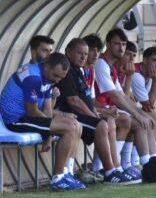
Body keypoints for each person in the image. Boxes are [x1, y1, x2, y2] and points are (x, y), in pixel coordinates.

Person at [55, 38, 140, 185]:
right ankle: (108, 172)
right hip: (70, 116)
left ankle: (116, 168)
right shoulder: (68, 71)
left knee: (109, 121)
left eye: (85, 53)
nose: (84, 57)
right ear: (68, 52)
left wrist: (101, 113)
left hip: (81, 116)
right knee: (101, 125)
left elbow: (88, 100)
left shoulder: (78, 71)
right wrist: (95, 116)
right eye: (79, 53)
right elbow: (74, 102)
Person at [0, 53, 84, 190]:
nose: (57, 80)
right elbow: (32, 111)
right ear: (46, 66)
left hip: (27, 118)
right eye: (56, 76)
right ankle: (58, 178)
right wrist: (49, 134)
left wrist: (49, 135)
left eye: (61, 78)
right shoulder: (33, 77)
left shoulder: (47, 78)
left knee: (76, 125)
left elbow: (47, 109)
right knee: (69, 127)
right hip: (14, 121)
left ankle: (67, 174)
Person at [94, 28, 155, 172]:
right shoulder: (101, 64)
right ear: (108, 44)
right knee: (127, 120)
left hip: (109, 111)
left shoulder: (111, 67)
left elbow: (122, 96)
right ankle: (108, 166)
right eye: (117, 44)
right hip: (99, 110)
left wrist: (139, 114)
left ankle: (143, 164)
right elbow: (115, 97)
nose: (121, 48)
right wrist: (138, 114)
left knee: (141, 120)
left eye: (123, 44)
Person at [82, 34, 131, 179]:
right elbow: (75, 102)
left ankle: (117, 166)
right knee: (115, 121)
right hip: (78, 115)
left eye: (97, 50)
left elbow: (91, 100)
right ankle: (112, 168)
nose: (94, 54)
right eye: (90, 51)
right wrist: (103, 111)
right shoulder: (98, 65)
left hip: (91, 111)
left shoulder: (91, 70)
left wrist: (104, 110)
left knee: (123, 119)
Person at [131, 46, 156, 157]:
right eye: (154, 60)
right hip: (119, 109)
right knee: (149, 117)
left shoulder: (149, 75)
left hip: (129, 109)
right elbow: (148, 104)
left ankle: (153, 155)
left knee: (153, 115)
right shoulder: (137, 75)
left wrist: (154, 80)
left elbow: (149, 106)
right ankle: (145, 158)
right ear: (145, 60)